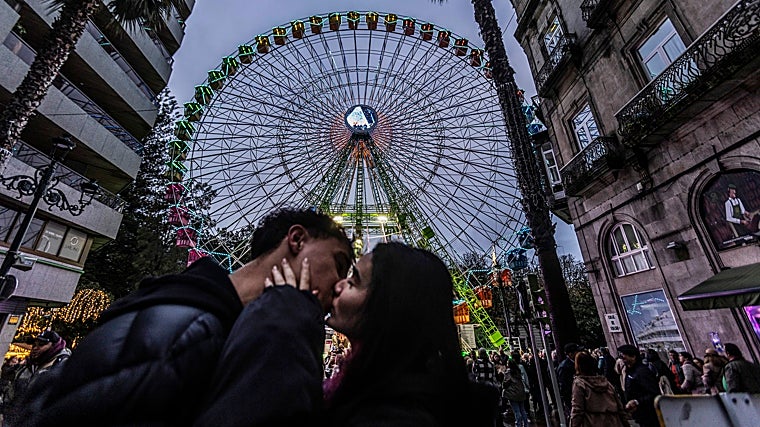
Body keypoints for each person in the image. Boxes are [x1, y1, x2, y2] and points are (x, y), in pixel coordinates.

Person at [19, 207, 353, 426]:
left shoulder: (201, 317)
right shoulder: (191, 327)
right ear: (296, 239)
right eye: (338, 265)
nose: (340, 285)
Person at [320, 242, 495, 426]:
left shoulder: (394, 415)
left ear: (387, 305)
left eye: (353, 282)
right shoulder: (384, 393)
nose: (338, 286)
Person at [3, 331, 71, 425]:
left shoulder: (61, 367)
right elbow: (12, 387)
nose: (35, 348)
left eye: (41, 345)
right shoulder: (29, 365)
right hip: (13, 418)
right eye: (34, 344)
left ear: (54, 346)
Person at [570, 352, 628, 427]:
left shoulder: (580, 384)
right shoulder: (605, 382)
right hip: (613, 421)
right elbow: (619, 405)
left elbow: (577, 410)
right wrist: (625, 422)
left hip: (593, 422)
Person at [617, 344, 660, 427]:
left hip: (649, 414)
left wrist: (637, 402)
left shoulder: (642, 372)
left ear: (633, 357)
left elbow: (654, 393)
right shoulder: (630, 371)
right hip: (639, 414)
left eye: (624, 357)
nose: (622, 360)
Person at [503, 360, 529, 427]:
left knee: (516, 411)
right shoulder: (518, 371)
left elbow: (505, 384)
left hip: (513, 393)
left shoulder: (508, 372)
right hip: (521, 392)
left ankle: (519, 424)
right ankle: (526, 424)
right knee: (522, 410)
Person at [557, 343, 581, 415]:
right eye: (577, 351)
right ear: (571, 354)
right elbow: (564, 386)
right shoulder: (564, 367)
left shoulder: (578, 362)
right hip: (573, 397)